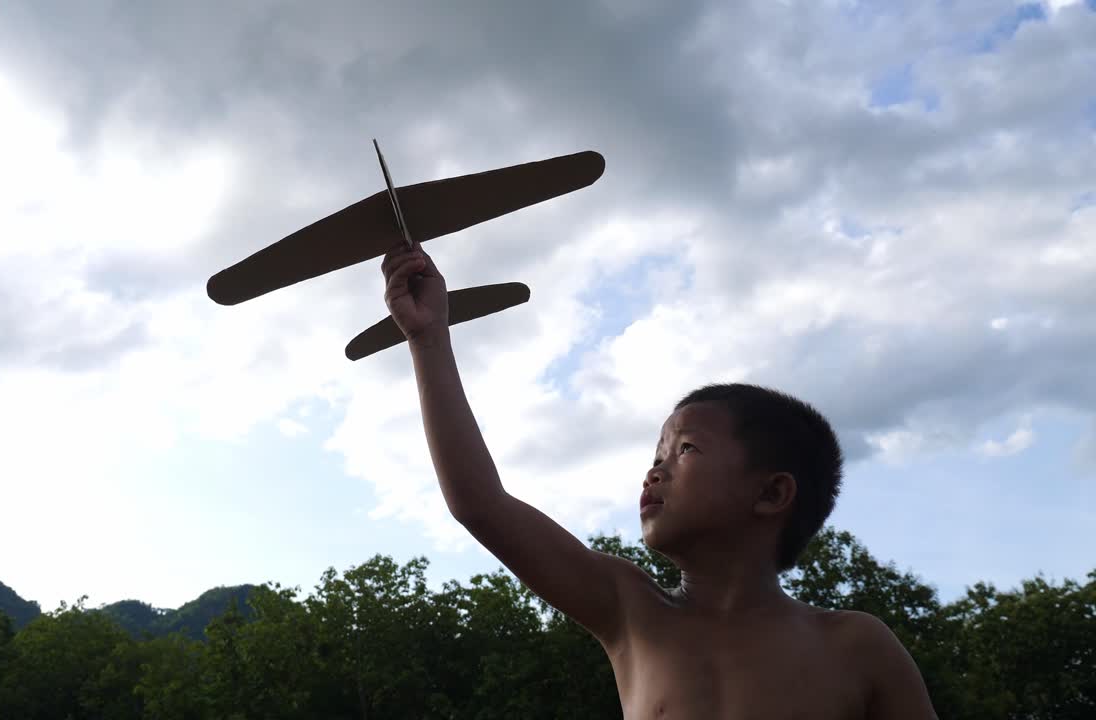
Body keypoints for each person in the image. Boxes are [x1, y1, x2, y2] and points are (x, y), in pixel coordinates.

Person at [381, 243, 939, 718]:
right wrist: (429, 341)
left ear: (771, 493)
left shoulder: (856, 646)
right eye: (658, 452)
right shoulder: (630, 609)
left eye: (686, 449)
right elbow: (480, 504)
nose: (655, 468)